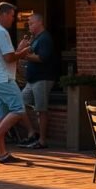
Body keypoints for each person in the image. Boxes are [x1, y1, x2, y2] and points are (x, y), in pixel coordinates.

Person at [0, 2, 35, 165]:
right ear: (3, 14)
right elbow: (9, 58)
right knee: (18, 108)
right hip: (3, 78)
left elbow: (6, 55)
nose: (12, 19)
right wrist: (24, 52)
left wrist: (19, 49)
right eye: (11, 15)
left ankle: (2, 153)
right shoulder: (1, 32)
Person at [20, 12, 56, 149]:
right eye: (28, 23)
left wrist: (25, 56)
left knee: (41, 110)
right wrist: (23, 50)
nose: (29, 25)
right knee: (19, 104)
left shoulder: (45, 38)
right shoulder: (35, 38)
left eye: (31, 23)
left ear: (40, 23)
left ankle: (42, 141)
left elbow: (42, 58)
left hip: (42, 78)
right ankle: (32, 133)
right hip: (32, 80)